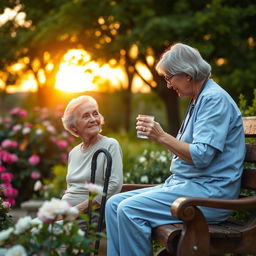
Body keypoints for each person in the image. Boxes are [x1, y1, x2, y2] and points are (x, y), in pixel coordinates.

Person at [105, 43, 245, 256]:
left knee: (129, 209)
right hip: (190, 186)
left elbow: (201, 155)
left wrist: (161, 136)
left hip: (210, 195)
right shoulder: (198, 99)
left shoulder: (213, 99)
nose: (168, 85)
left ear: (187, 74)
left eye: (169, 78)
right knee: (114, 203)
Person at [61, 95, 123, 230]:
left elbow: (114, 185)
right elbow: (72, 188)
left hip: (89, 216)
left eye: (95, 114)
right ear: (74, 126)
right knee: (30, 229)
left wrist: (77, 209)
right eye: (86, 116)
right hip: (65, 214)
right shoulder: (74, 152)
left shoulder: (110, 145)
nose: (93, 119)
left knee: (42, 235)